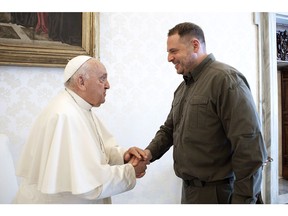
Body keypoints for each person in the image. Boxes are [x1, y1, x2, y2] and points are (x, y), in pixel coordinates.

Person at [144, 22, 268, 204]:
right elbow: (169, 130)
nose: (169, 58)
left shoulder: (226, 80)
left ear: (195, 45)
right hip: (189, 192)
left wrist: (243, 202)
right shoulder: (182, 88)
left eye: (173, 51)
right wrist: (148, 154)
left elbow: (249, 148)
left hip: (220, 195)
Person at [14, 55, 148, 204]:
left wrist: (123, 156)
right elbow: (89, 183)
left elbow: (98, 151)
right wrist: (130, 171)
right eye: (102, 79)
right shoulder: (66, 116)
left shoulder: (79, 107)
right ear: (81, 82)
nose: (108, 85)